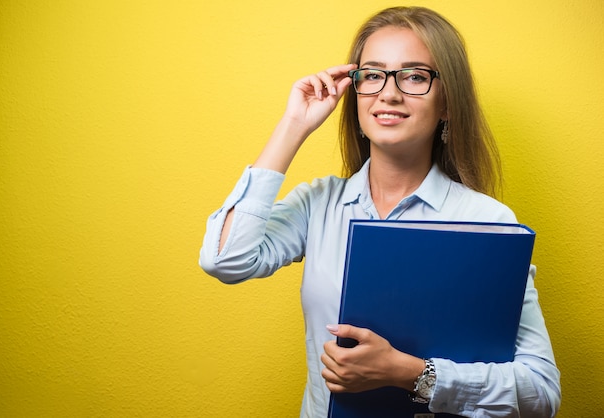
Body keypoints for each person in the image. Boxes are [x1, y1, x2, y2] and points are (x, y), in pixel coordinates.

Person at [199, 6, 561, 417]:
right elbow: (225, 259)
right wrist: (293, 125)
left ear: (447, 102)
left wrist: (411, 373)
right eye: (372, 74)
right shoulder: (319, 204)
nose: (389, 93)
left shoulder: (491, 223)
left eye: (414, 76)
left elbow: (541, 392)